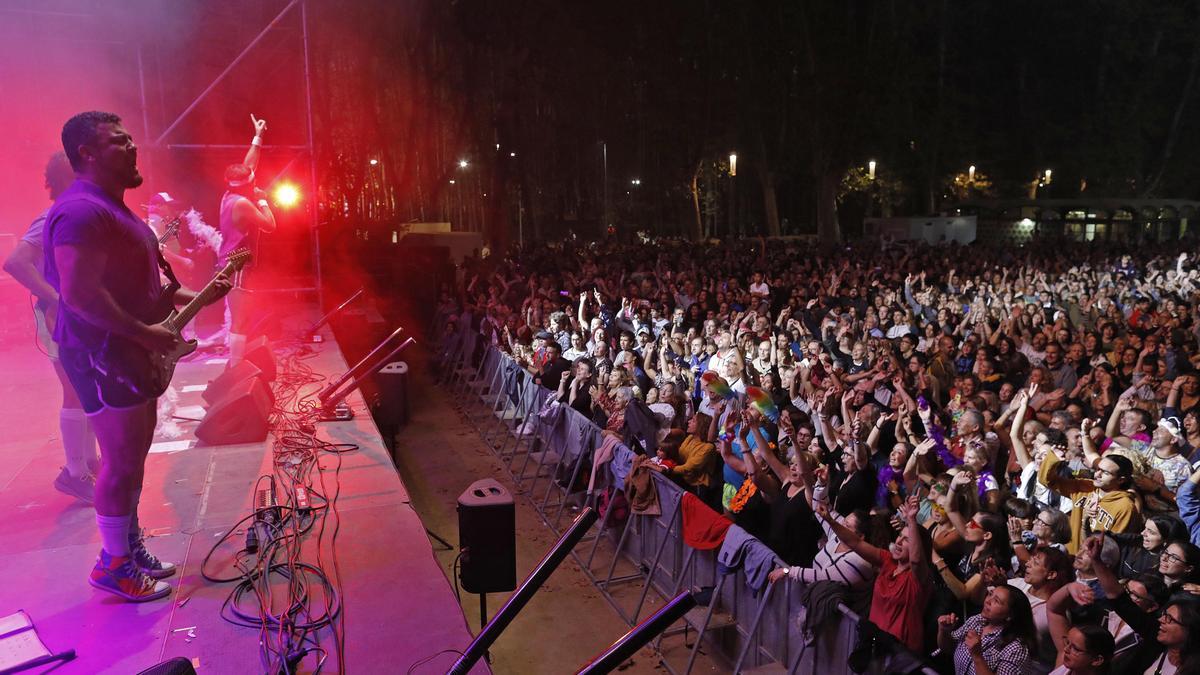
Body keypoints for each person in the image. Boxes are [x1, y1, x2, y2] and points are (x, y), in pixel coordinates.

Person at [45, 111, 231, 601]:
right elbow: (81, 295)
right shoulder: (83, 211)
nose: (132, 148)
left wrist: (194, 295)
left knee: (132, 456)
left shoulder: (114, 208)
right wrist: (146, 335)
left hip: (126, 350)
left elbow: (140, 284)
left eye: (131, 140)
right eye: (119, 141)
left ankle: (127, 544)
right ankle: (113, 564)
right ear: (87, 152)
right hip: (103, 353)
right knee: (120, 461)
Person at [3, 151, 99, 503]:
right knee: (75, 391)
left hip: (78, 319)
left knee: (87, 390)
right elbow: (15, 262)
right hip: (60, 319)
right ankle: (75, 474)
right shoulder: (50, 218)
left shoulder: (70, 215)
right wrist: (57, 300)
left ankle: (89, 463)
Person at [218, 114, 275, 364]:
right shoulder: (242, 203)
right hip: (236, 263)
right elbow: (271, 226)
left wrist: (258, 136)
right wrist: (263, 199)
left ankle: (237, 366)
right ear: (245, 186)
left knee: (244, 317)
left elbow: (249, 165)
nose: (255, 180)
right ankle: (235, 368)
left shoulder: (232, 192)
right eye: (252, 182)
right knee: (239, 319)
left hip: (236, 261)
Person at [937, 583, 1037, 675]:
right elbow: (949, 648)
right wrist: (944, 631)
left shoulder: (1016, 648)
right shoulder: (977, 620)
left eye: (996, 601)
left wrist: (977, 656)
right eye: (990, 594)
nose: (988, 601)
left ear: (1010, 615)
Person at [1048, 624, 1115, 675]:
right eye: (1067, 642)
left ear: (1097, 660)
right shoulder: (1065, 669)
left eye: (1075, 649)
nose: (1066, 649)